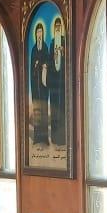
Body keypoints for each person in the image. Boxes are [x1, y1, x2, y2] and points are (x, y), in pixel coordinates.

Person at [29, 22, 52, 147]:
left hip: (43, 86)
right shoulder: (33, 49)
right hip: (35, 86)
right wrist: (35, 65)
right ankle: (37, 138)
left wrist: (44, 64)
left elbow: (48, 61)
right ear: (35, 34)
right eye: (37, 32)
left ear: (43, 34)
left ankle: (44, 138)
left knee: (43, 110)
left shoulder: (45, 47)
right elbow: (31, 67)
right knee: (37, 111)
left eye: (41, 32)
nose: (39, 34)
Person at [49, 16, 67, 146]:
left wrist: (63, 52)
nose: (57, 28)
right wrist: (54, 56)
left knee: (62, 109)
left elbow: (69, 60)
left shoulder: (64, 41)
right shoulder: (51, 43)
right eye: (56, 26)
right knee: (54, 110)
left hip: (62, 83)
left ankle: (63, 138)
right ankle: (55, 138)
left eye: (59, 26)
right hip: (54, 83)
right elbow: (49, 61)